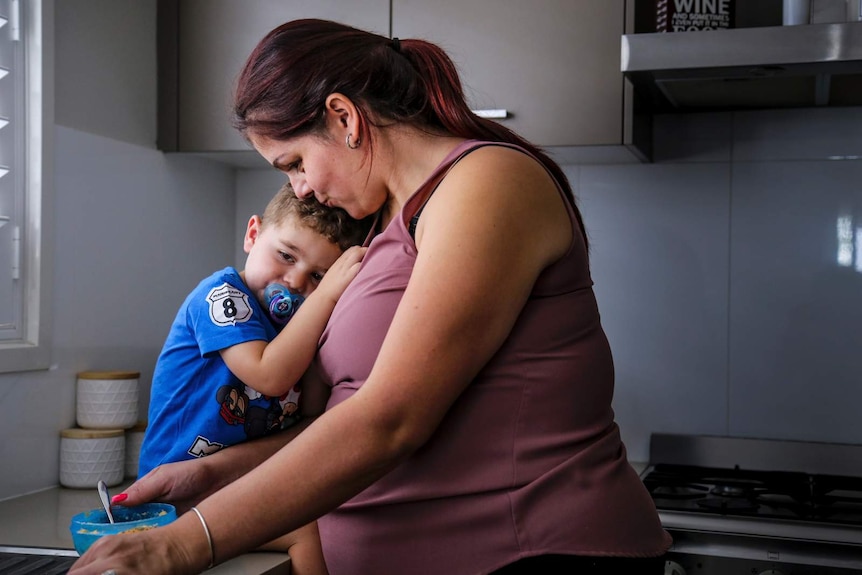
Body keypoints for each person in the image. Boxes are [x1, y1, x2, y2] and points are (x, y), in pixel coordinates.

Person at [69, 18, 671, 575]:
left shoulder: (487, 183)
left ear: (344, 118)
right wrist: (206, 474)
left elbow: (390, 420)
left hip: (530, 551)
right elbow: (342, 417)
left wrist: (180, 543)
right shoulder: (387, 225)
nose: (300, 190)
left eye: (296, 163)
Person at [138, 182, 370, 575]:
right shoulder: (222, 296)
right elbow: (270, 376)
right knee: (308, 529)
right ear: (252, 234)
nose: (296, 282)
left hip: (242, 484)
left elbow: (312, 416)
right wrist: (328, 293)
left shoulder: (300, 325)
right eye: (285, 255)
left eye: (317, 274)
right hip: (177, 495)